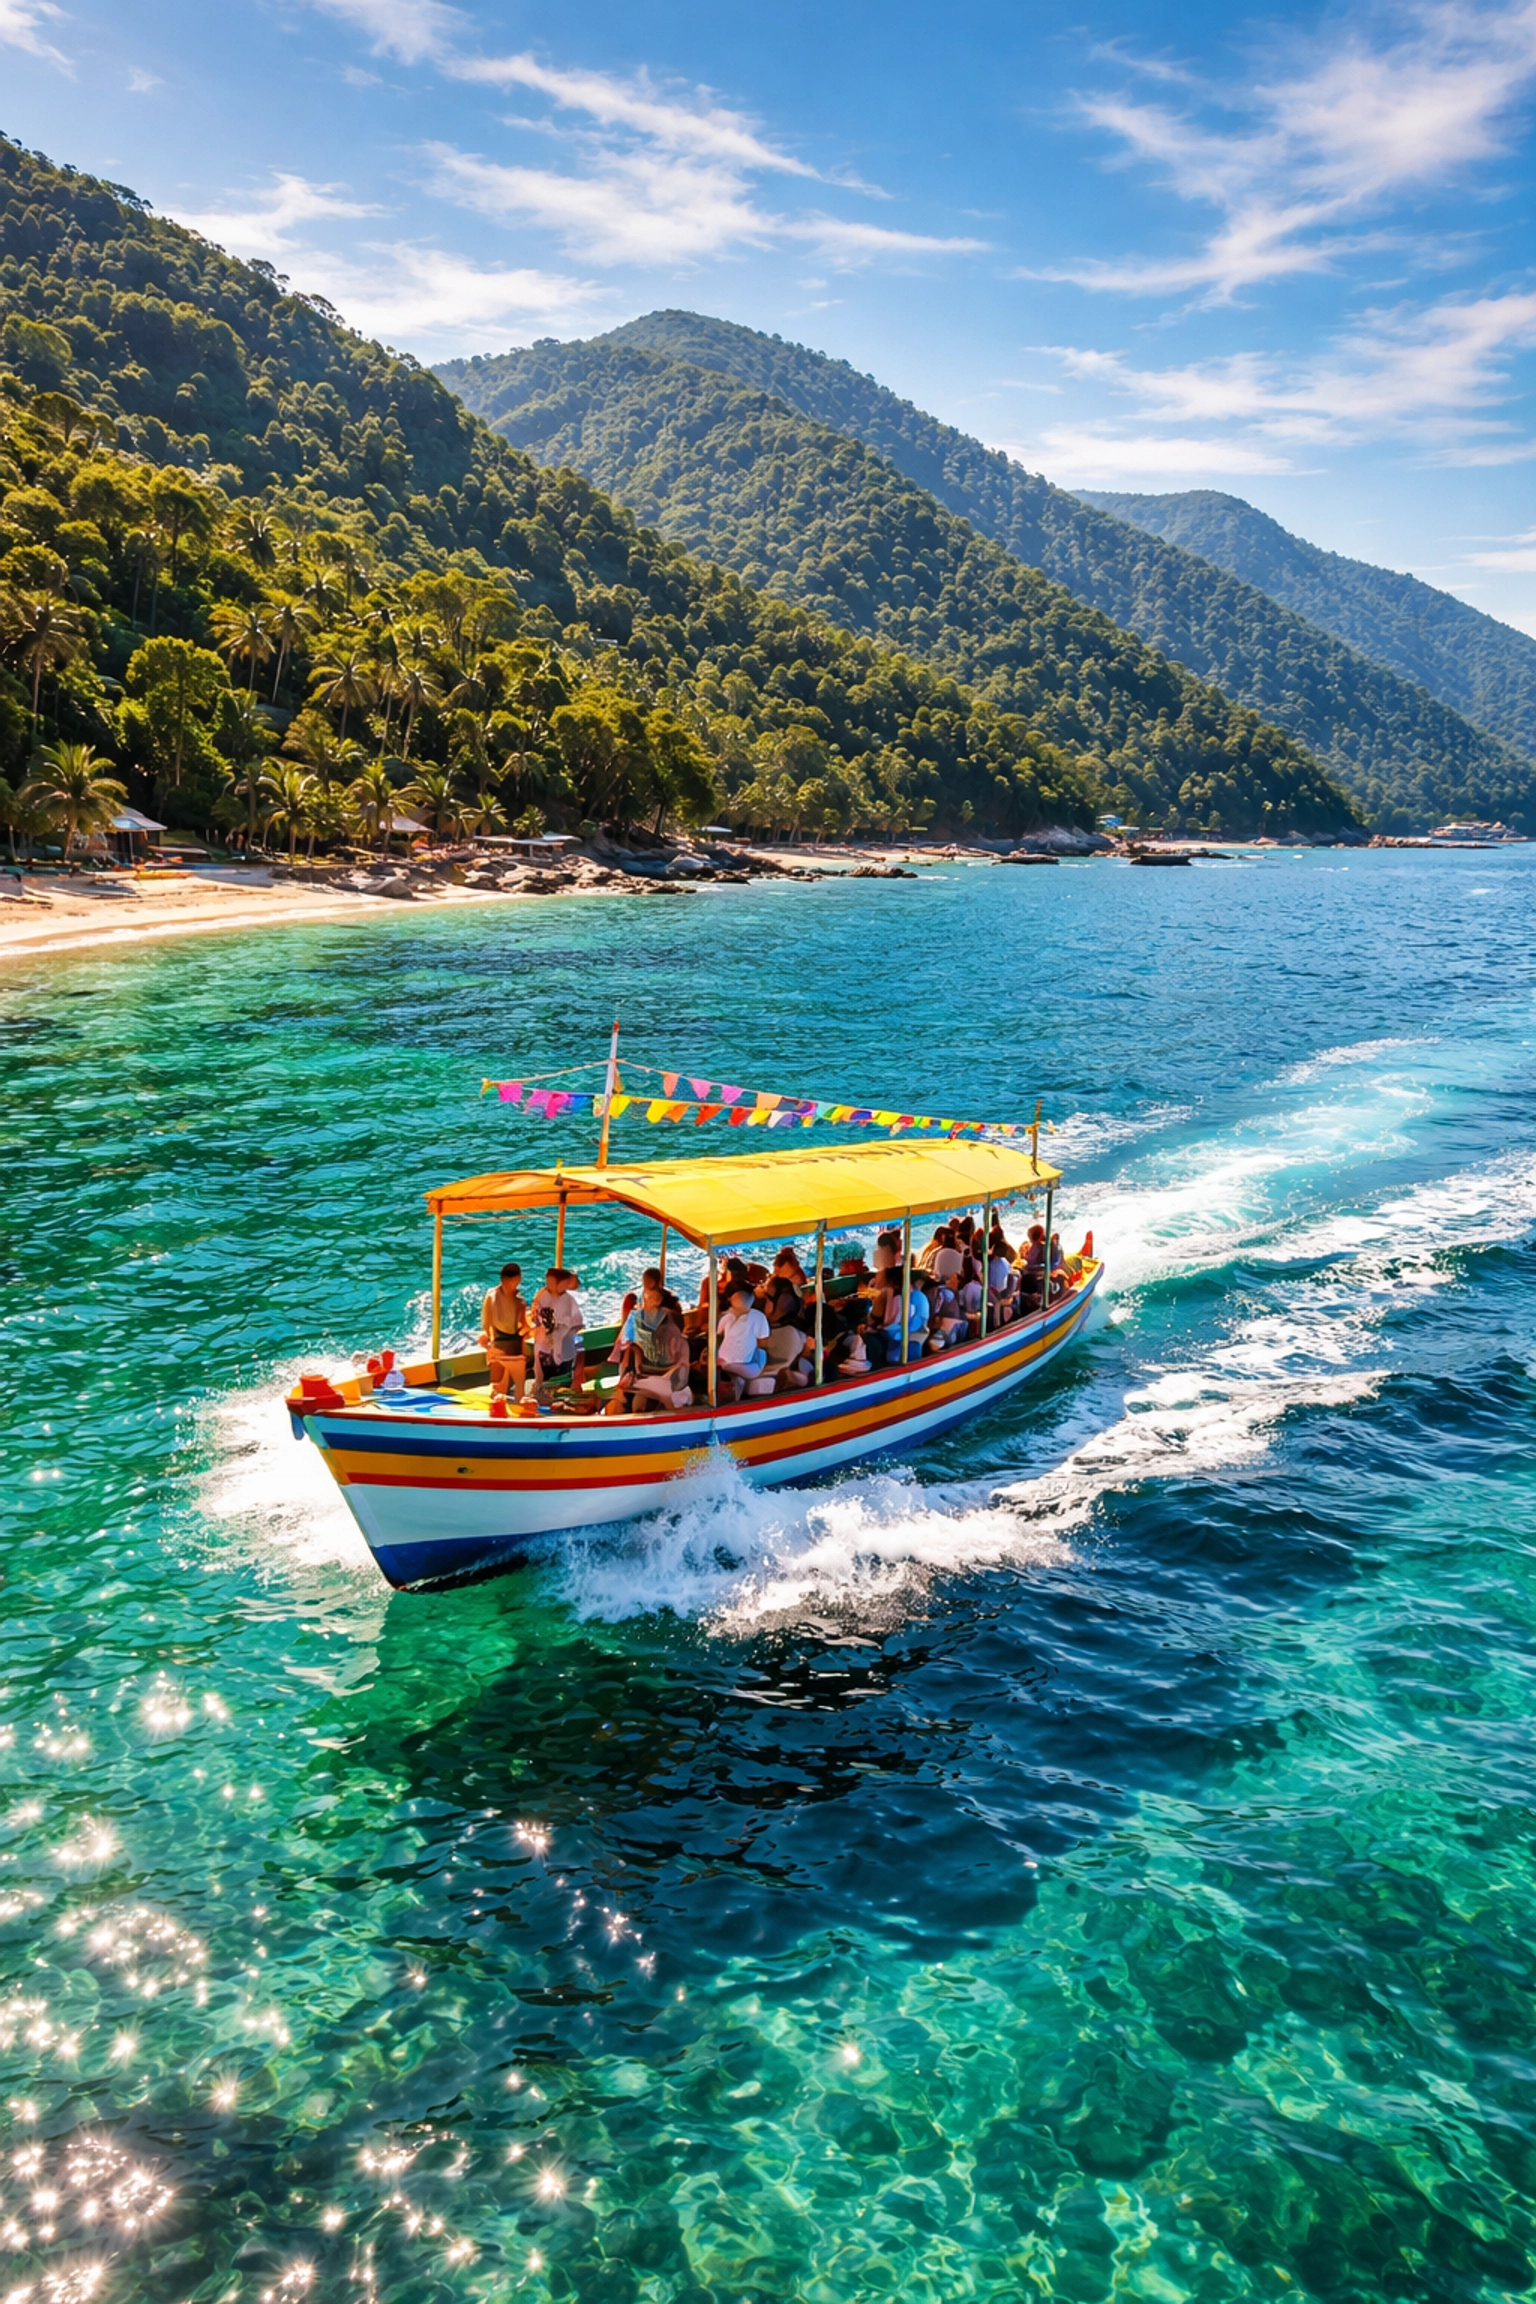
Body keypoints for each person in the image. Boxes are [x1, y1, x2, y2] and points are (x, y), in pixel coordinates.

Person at [607, 1272, 691, 1413]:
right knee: (636, 1399)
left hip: (664, 1378)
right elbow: (629, 1348)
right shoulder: (638, 1320)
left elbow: (679, 1368)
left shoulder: (669, 1323)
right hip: (648, 1375)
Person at [531, 1266, 586, 1403]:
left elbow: (577, 1330)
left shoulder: (569, 1301)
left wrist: (579, 1367)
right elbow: (535, 1319)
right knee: (543, 1382)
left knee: (561, 1388)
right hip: (544, 1349)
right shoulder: (541, 1297)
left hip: (564, 1350)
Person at [480, 1261, 530, 1403]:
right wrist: (488, 1341)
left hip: (514, 1342)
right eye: (512, 1281)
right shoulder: (492, 1296)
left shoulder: (519, 1300)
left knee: (512, 1385)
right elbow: (486, 1321)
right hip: (499, 1341)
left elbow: (522, 1327)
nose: (514, 1284)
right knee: (496, 1385)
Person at [717, 1285, 771, 1402]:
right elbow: (763, 1340)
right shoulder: (755, 1317)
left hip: (734, 1361)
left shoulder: (727, 1316)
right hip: (739, 1363)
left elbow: (718, 1332)